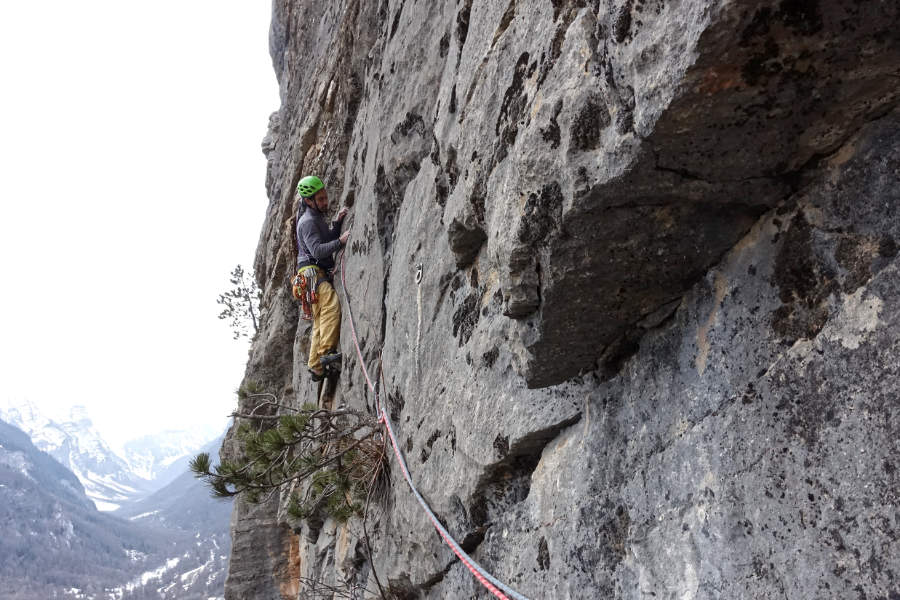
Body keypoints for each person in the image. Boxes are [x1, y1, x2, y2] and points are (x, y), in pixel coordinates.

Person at [294, 175, 350, 381]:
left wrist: (336, 225)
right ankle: (326, 354)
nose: (325, 202)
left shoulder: (314, 217)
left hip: (309, 275)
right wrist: (341, 241)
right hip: (311, 273)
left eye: (325, 197)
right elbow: (317, 250)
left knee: (319, 320)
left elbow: (323, 238)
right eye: (320, 199)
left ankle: (316, 366)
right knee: (331, 306)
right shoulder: (308, 221)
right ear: (309, 201)